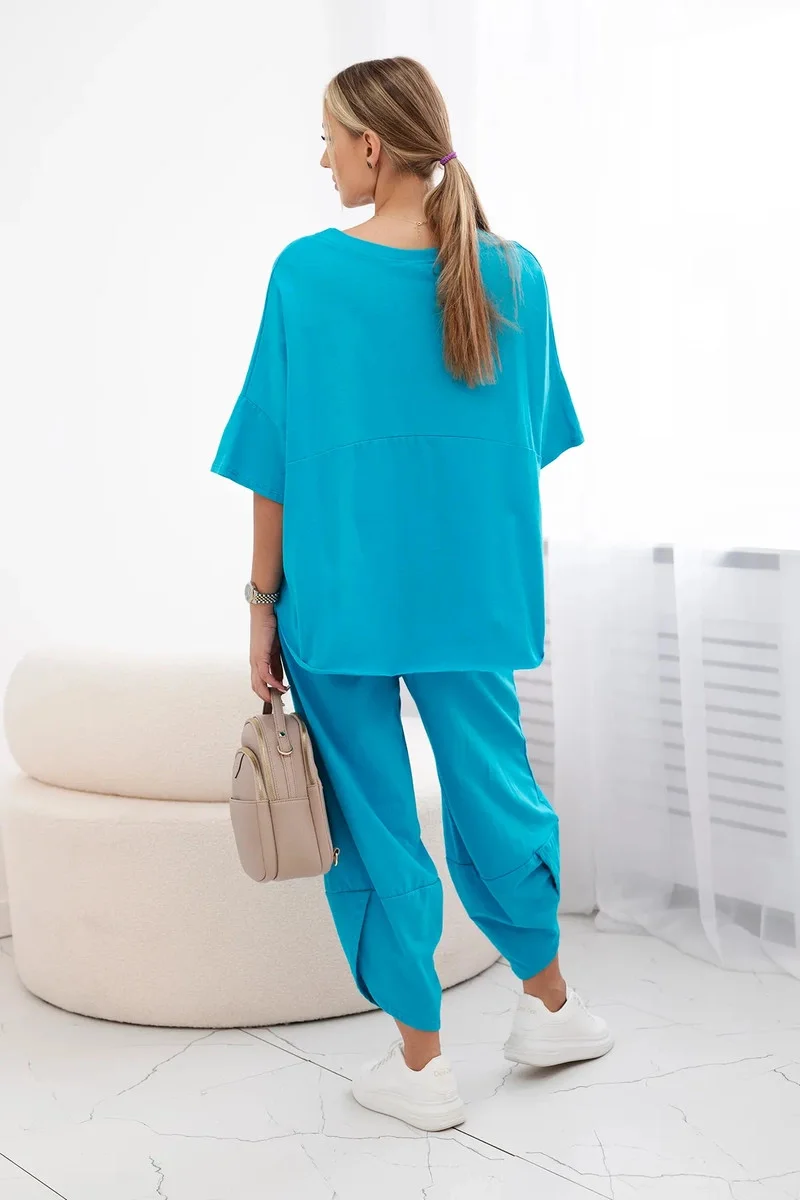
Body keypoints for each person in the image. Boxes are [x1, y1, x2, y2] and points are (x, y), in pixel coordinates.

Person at [210, 55, 613, 1133]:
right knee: (497, 792)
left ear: (372, 146)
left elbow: (271, 461)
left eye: (329, 138)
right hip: (473, 595)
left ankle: (421, 1066)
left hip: (338, 598)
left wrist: (260, 603)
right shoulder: (516, 274)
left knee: (377, 820)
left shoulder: (306, 273)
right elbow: (527, 443)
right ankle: (550, 1008)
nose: (324, 159)